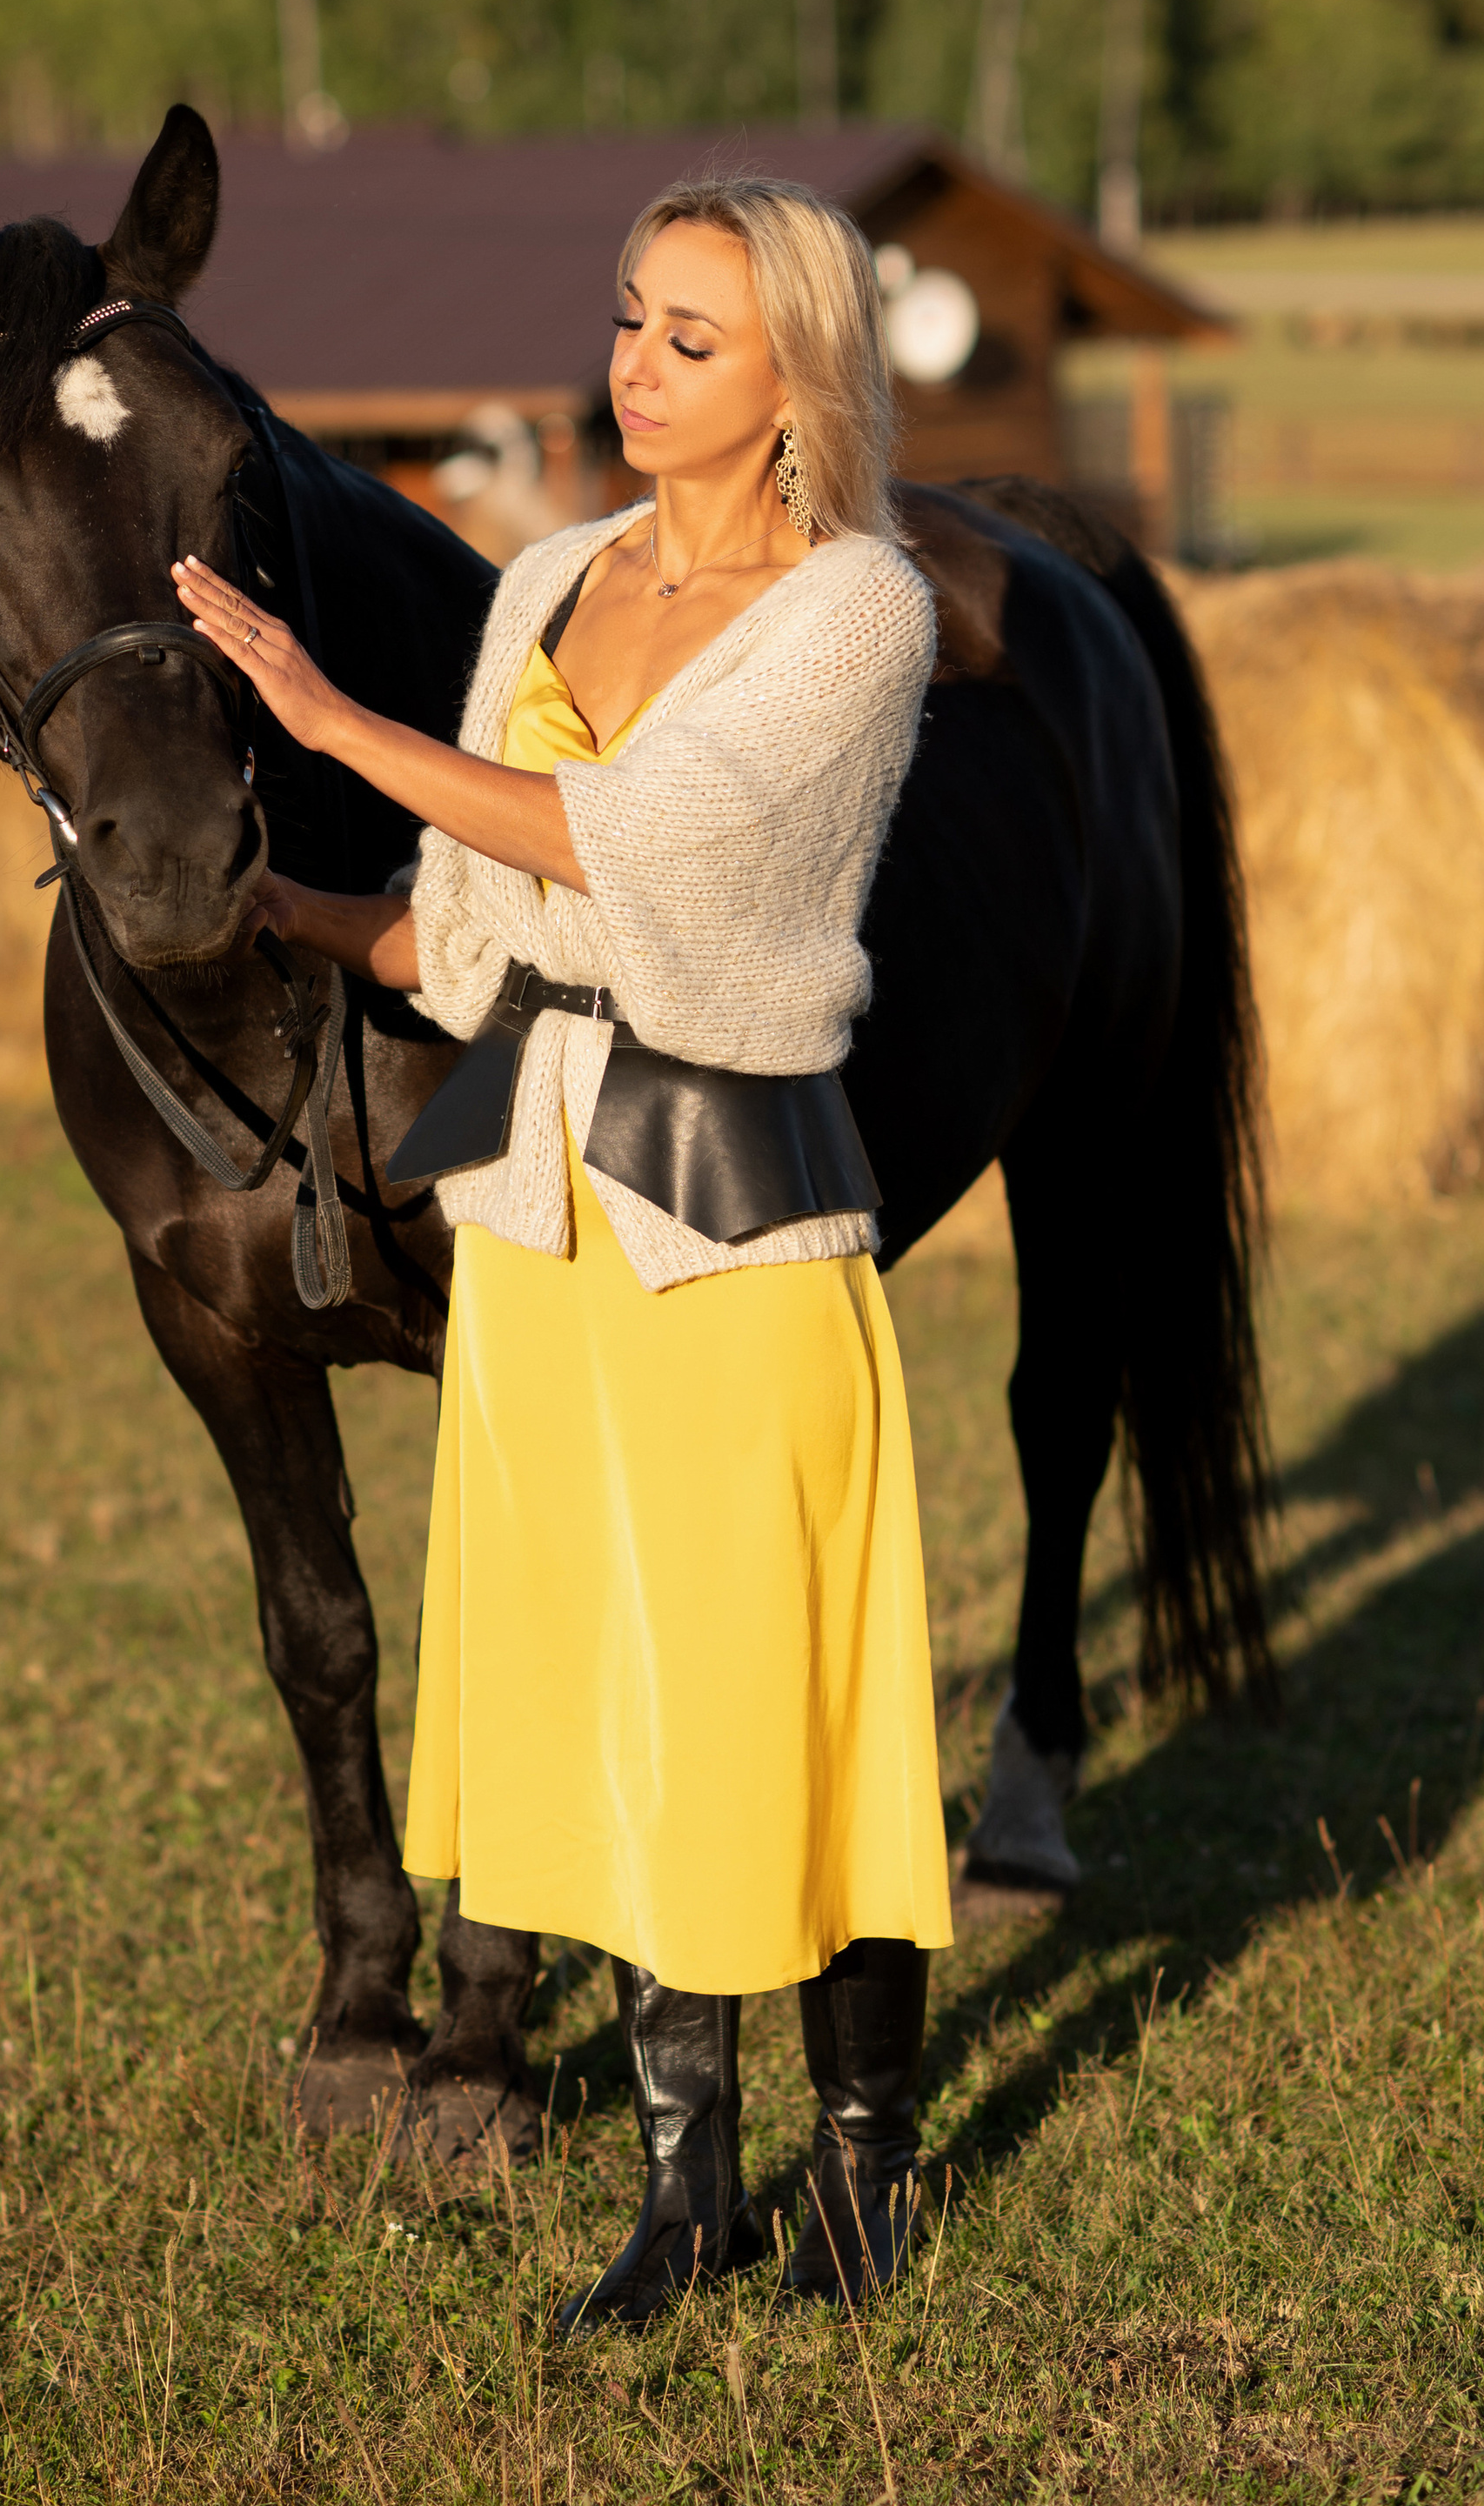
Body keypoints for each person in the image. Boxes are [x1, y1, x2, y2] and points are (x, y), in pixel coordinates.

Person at [171, 170, 949, 2327]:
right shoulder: (539, 581)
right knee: (596, 1685)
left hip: (729, 1220)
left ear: (794, 376)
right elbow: (471, 932)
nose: (634, 365)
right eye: (626, 318)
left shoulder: (854, 611)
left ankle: (864, 2161)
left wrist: (337, 722)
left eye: (690, 337)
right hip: (525, 1206)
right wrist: (281, 907)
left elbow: (648, 848)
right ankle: (688, 2187)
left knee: (771, 1689)